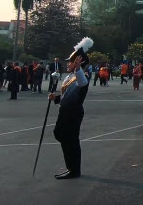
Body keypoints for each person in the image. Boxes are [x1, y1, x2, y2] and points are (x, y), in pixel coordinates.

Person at [49, 37, 93, 179]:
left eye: (71, 61)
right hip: (65, 111)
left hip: (73, 113)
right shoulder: (69, 77)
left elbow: (82, 83)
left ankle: (74, 169)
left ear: (78, 62)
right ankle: (71, 167)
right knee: (60, 133)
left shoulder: (82, 75)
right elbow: (67, 96)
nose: (68, 63)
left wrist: (79, 68)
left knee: (71, 140)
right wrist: (55, 98)